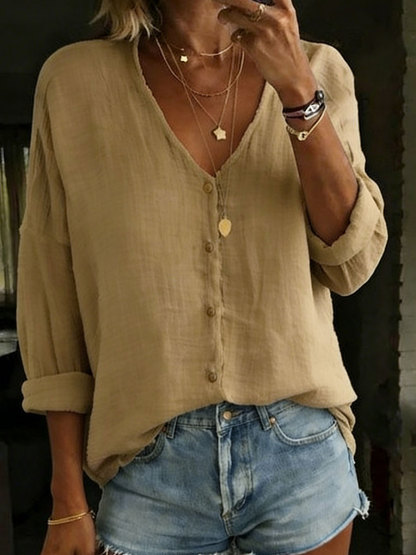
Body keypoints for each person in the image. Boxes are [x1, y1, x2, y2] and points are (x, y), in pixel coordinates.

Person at [16, 0, 388, 553]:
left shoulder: (319, 68)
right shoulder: (75, 84)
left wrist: (297, 92)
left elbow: (351, 263)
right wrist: (66, 495)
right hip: (149, 472)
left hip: (301, 459)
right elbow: (52, 290)